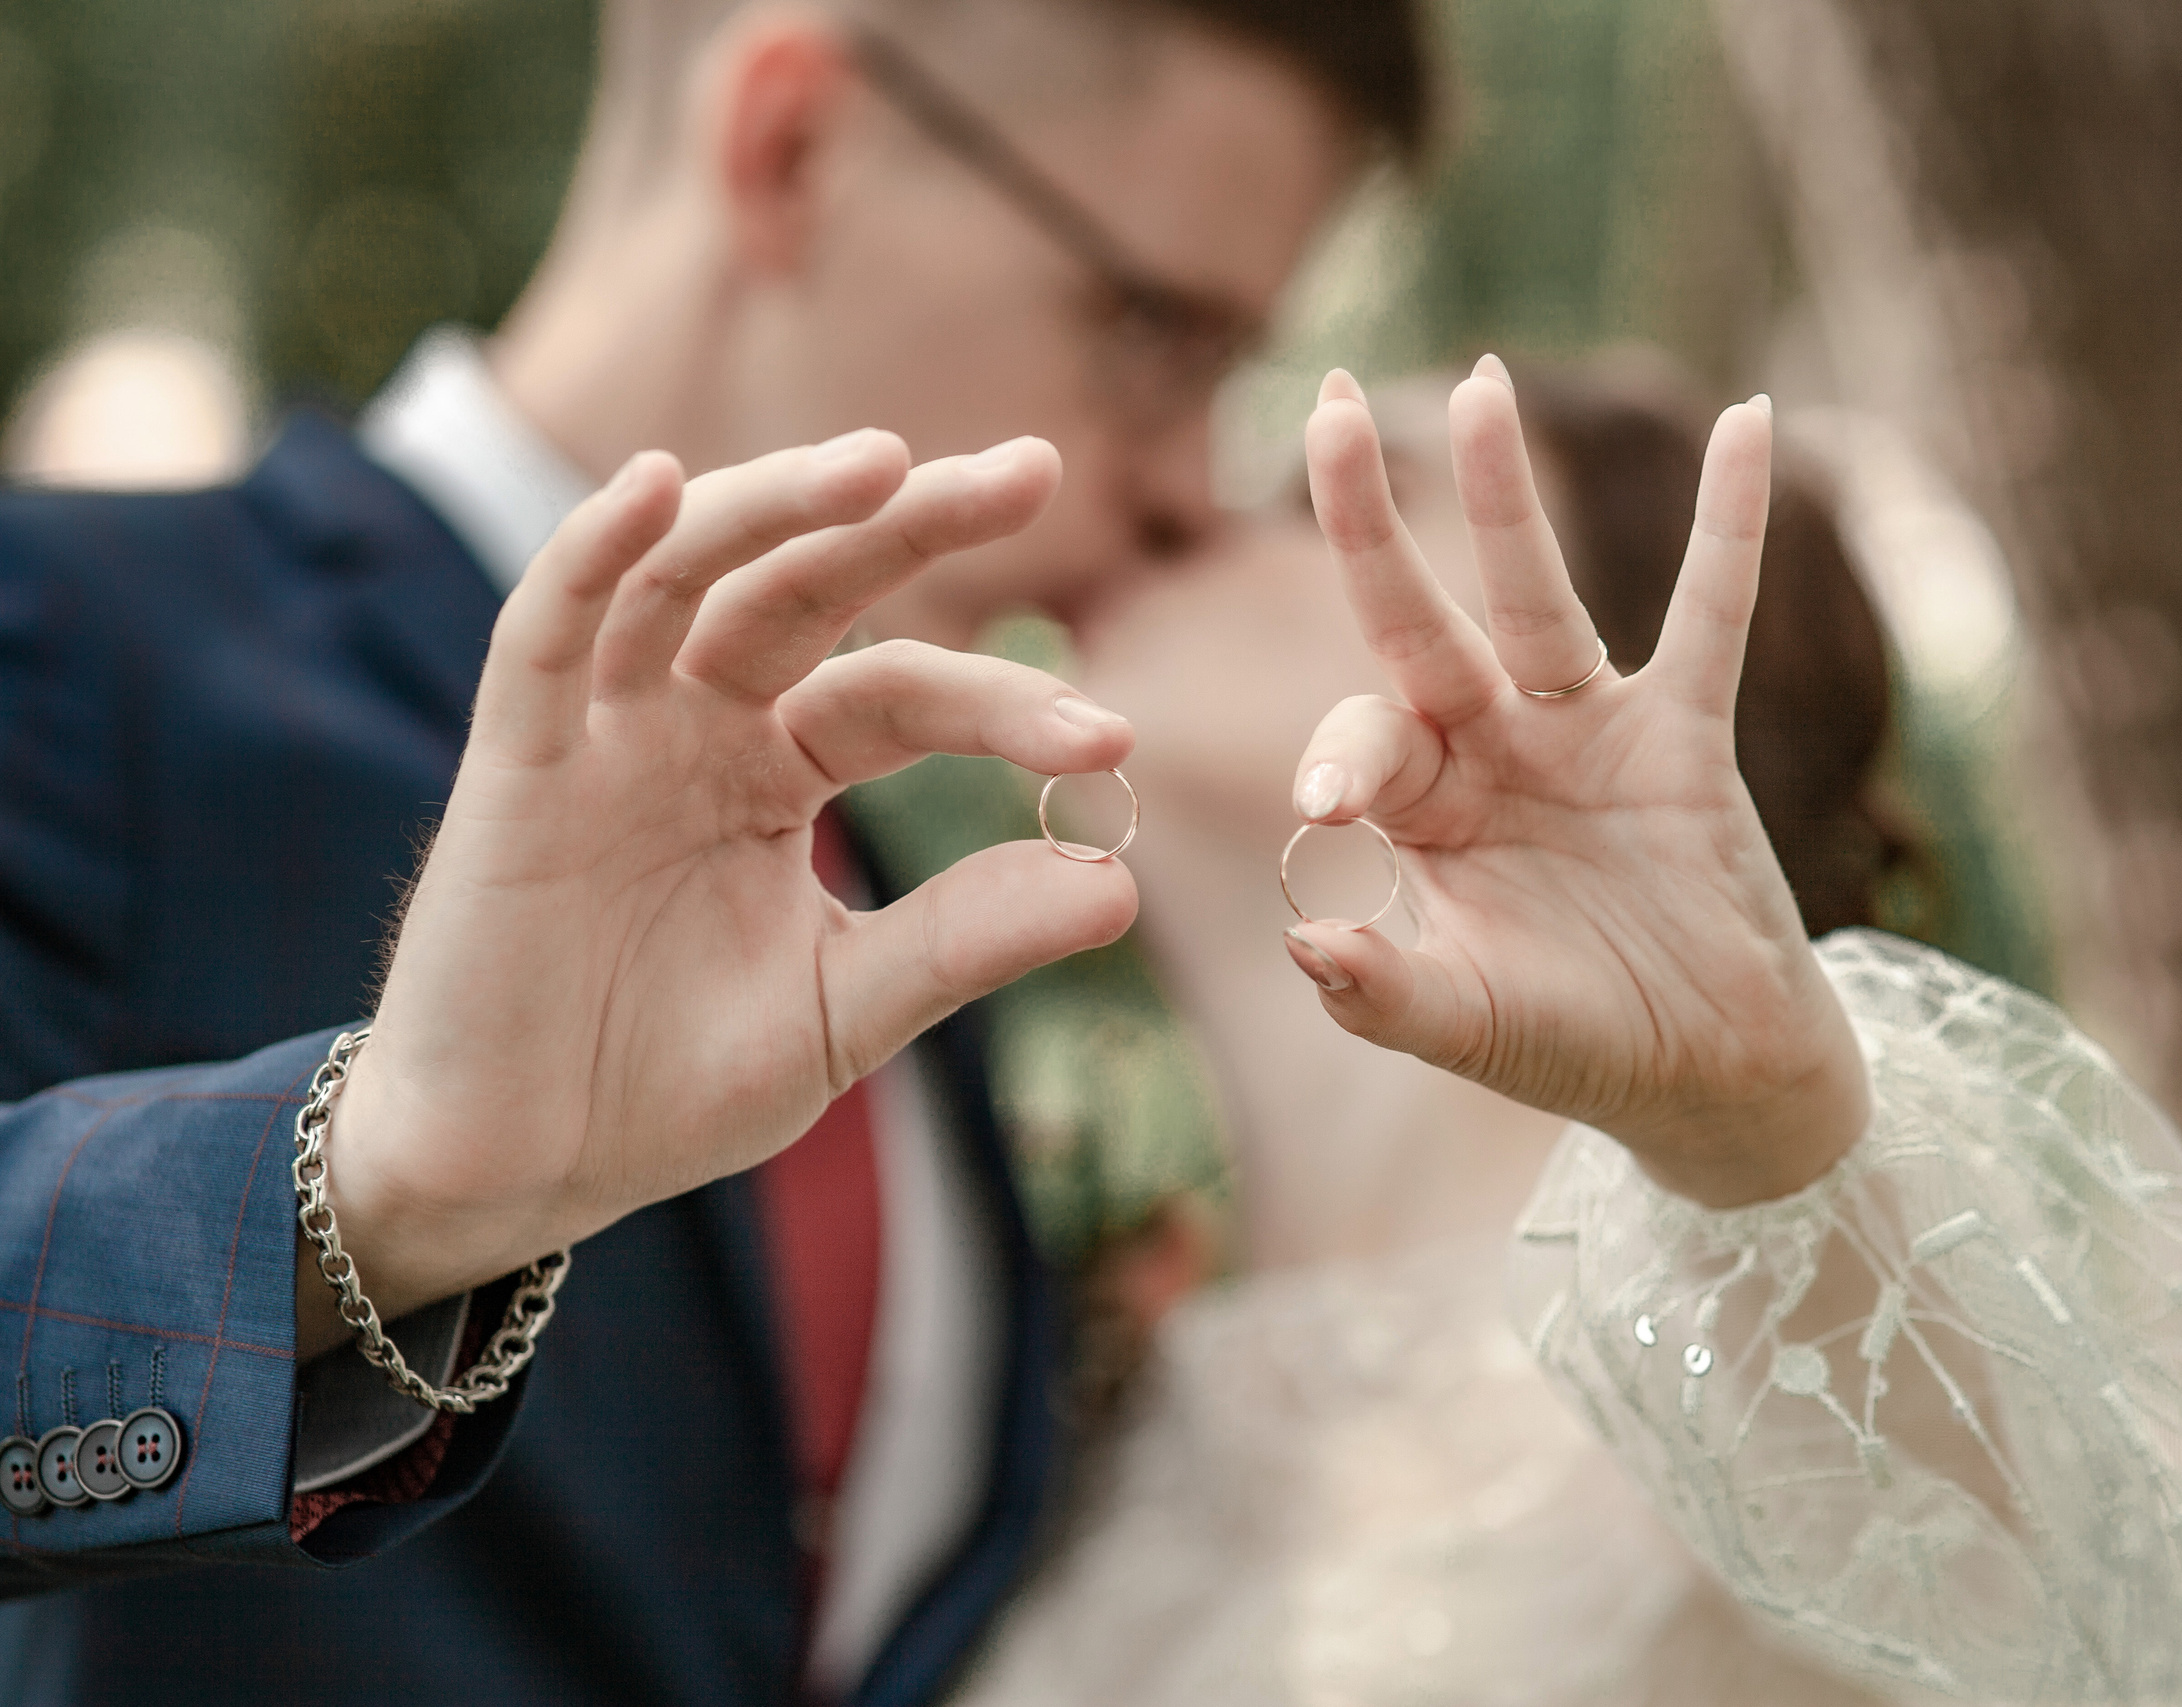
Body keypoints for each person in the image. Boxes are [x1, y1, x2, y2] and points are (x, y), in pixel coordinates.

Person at [0, 0, 1423, 1699]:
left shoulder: (882, 916)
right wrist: (363, 1202)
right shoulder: (60, 641)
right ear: (791, 147)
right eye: (1158, 328)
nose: (1194, 480)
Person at [953, 364, 2182, 1704]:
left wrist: (1766, 1143)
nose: (1185, 505)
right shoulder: (1048, 1376)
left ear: (1612, 709)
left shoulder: (1748, 1359)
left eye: (1345, 494)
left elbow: (2052, 1619)